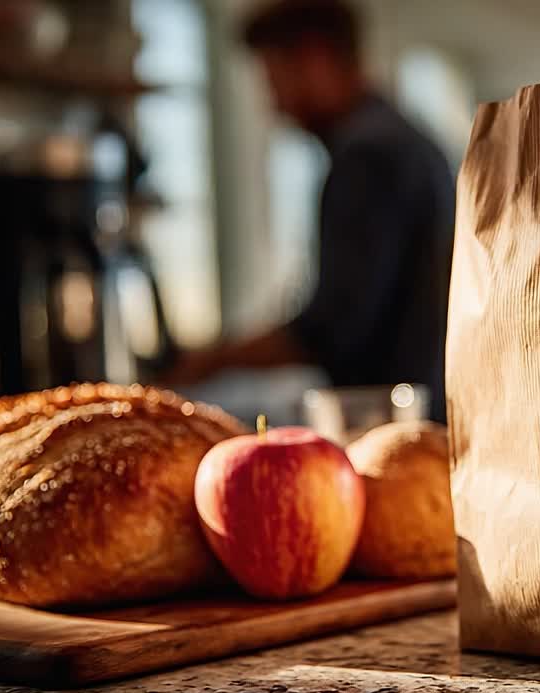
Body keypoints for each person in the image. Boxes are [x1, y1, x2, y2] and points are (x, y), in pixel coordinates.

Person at [167, 0, 455, 422]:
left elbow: (333, 329)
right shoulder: (409, 139)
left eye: (273, 78)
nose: (275, 104)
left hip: (390, 426)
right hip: (427, 417)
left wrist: (207, 362)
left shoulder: (369, 157)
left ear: (315, 57)